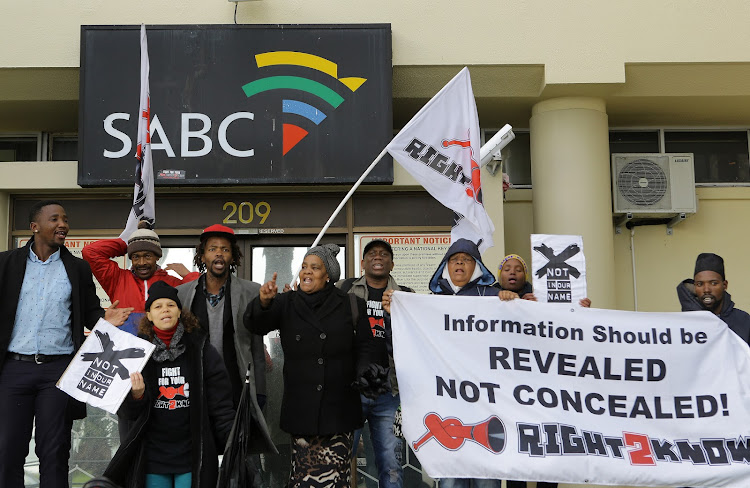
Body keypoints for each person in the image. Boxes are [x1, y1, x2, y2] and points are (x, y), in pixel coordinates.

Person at [0, 200, 131, 488]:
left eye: (65, 220)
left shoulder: (78, 268)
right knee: (8, 451)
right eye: (55, 219)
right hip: (13, 369)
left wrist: (105, 318)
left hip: (58, 372)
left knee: (55, 450)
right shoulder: (5, 263)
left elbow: (90, 312)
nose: (63, 224)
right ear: (34, 227)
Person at [245, 243, 376, 488]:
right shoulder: (286, 303)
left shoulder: (351, 304)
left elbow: (366, 347)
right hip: (302, 411)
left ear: (328, 275)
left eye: (314, 267)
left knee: (337, 480)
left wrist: (364, 376)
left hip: (339, 410)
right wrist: (263, 302)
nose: (307, 271)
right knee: (304, 479)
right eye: (304, 266)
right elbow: (255, 325)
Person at [385, 238, 501, 488]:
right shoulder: (429, 302)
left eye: (467, 259)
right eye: (454, 259)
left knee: (487, 479)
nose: (460, 262)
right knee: (450, 478)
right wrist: (394, 316)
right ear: (445, 266)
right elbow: (406, 346)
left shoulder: (494, 297)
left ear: (477, 266)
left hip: (486, 401)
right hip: (445, 400)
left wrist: (520, 304)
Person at [103, 281, 235, 488]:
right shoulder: (135, 353)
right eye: (157, 306)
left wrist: (233, 439)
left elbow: (220, 403)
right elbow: (126, 413)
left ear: (179, 312)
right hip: (152, 456)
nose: (165, 309)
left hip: (193, 455)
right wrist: (136, 395)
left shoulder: (202, 349)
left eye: (171, 305)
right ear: (149, 315)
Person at [336, 239, 413, 488]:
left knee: (390, 463)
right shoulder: (344, 290)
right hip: (351, 390)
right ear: (362, 263)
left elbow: (418, 339)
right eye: (371, 253)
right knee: (339, 460)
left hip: (390, 392)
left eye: (383, 254)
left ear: (391, 263)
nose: (377, 257)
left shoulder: (407, 296)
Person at [82, 220, 201, 335]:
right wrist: (125, 243)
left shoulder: (173, 283)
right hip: (127, 351)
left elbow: (201, 296)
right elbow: (90, 252)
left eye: (147, 256)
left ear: (158, 257)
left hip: (163, 351)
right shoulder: (117, 279)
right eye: (135, 257)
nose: (141, 262)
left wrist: (189, 276)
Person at [677, 252, 750, 344]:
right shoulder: (683, 323)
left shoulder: (743, 320)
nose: (706, 290)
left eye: (713, 283)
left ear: (724, 285)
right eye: (700, 284)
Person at [498, 253, 591, 308]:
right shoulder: (488, 294)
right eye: (507, 269)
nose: (513, 272)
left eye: (518, 270)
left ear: (525, 277)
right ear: (499, 276)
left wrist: (580, 311)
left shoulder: (538, 297)